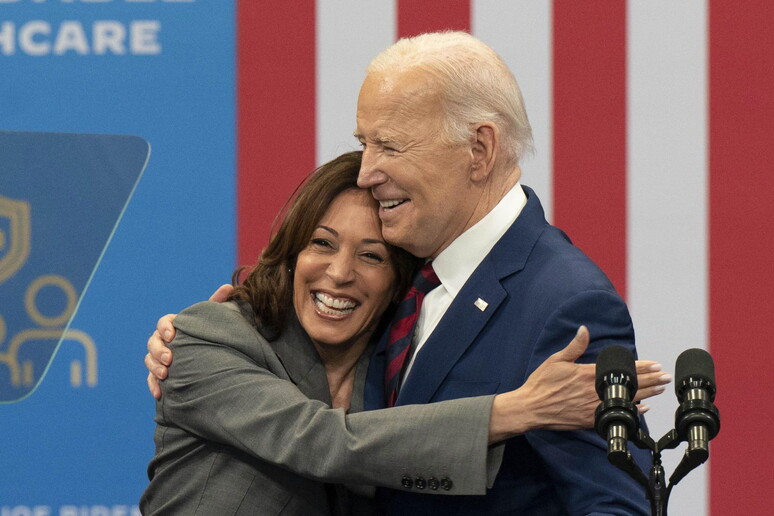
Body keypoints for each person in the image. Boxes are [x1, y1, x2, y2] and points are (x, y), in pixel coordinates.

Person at [147, 32, 671, 515]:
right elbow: (328, 435)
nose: (367, 169)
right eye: (365, 141)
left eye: (391, 145)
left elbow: (617, 505)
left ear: (479, 150)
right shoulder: (405, 290)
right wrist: (195, 340)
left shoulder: (562, 300)